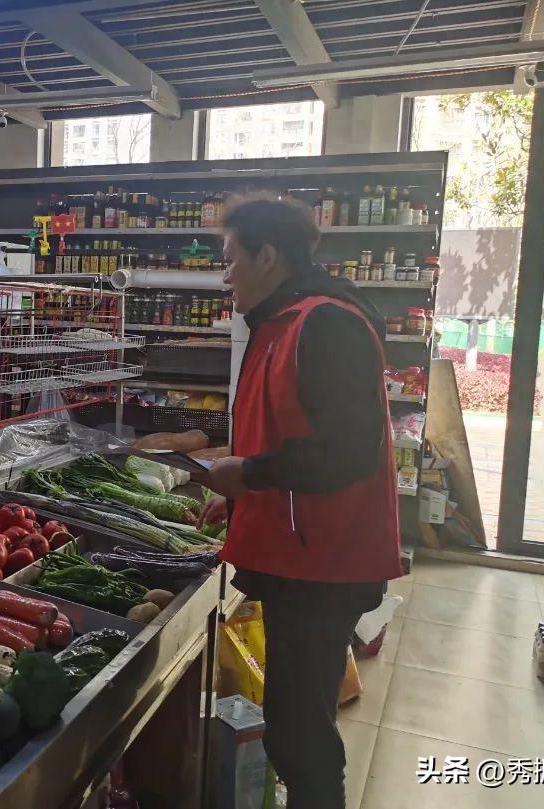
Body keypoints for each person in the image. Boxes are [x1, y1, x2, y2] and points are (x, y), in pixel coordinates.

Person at [196, 198, 404, 809]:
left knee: (300, 732)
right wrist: (240, 495)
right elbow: (284, 433)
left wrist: (250, 473)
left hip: (325, 565)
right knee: (295, 720)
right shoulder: (280, 321)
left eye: (231, 259)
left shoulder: (325, 324)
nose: (224, 273)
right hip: (301, 553)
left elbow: (346, 451)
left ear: (268, 256)